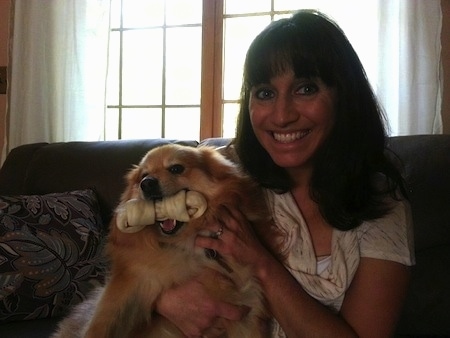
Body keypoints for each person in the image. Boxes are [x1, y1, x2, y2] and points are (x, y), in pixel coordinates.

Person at [155, 9, 415, 337]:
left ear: (343, 96)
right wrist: (163, 300)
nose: (281, 116)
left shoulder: (382, 205)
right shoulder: (218, 175)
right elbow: (130, 263)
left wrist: (260, 263)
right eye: (265, 93)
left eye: (305, 89)